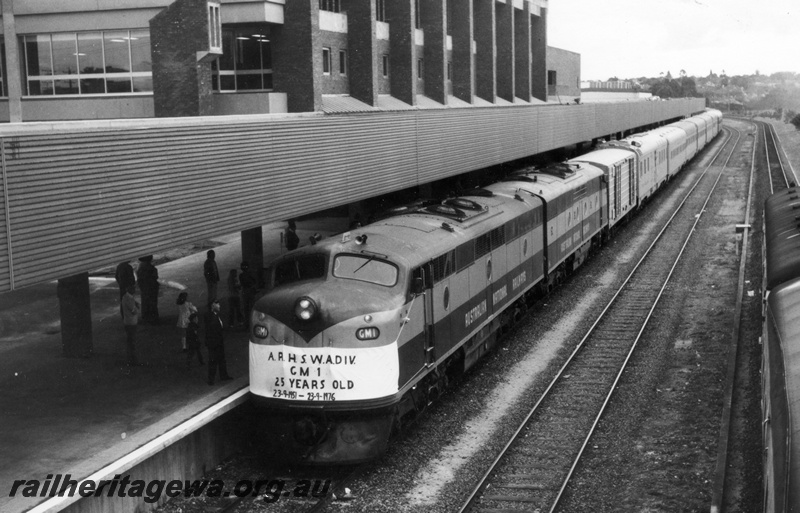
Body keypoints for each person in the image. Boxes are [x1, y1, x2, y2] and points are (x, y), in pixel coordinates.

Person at [206, 300, 232, 385]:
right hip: (215, 343)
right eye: (218, 305)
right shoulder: (213, 318)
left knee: (220, 360)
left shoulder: (215, 316)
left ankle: (222, 375)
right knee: (214, 360)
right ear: (213, 306)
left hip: (217, 342)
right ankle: (213, 379)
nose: (219, 307)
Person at [136, 256, 160, 324]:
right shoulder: (151, 268)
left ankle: (146, 316)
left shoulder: (140, 267)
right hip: (151, 288)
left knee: (145, 302)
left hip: (144, 288)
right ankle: (152, 317)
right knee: (152, 303)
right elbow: (155, 277)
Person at [121, 285, 141, 366]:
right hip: (131, 322)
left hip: (128, 321)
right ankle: (132, 360)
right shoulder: (129, 299)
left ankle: (130, 359)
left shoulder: (126, 297)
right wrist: (137, 306)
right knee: (132, 341)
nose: (135, 289)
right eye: (133, 288)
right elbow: (134, 311)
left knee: (130, 341)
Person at [239, 261, 257, 327]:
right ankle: (249, 322)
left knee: (247, 308)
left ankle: (248, 322)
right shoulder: (248, 274)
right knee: (248, 307)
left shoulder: (243, 275)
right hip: (248, 291)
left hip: (247, 291)